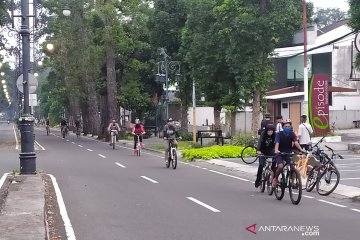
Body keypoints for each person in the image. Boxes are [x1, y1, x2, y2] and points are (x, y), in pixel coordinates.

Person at [272, 119, 306, 187]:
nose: (287, 128)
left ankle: (292, 182)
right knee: (281, 166)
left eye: (289, 126)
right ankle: (275, 179)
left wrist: (301, 150)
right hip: (279, 153)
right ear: (283, 127)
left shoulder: (292, 134)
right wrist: (276, 150)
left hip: (288, 153)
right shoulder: (279, 134)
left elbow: (296, 142)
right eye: (286, 126)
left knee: (293, 167)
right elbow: (277, 143)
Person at [255, 123, 276, 188]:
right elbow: (260, 142)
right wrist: (258, 150)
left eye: (271, 131)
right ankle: (258, 180)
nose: (270, 132)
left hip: (270, 151)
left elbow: (277, 143)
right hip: (262, 151)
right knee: (261, 165)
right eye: (268, 131)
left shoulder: (275, 135)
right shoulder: (263, 134)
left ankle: (273, 177)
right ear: (266, 130)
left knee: (274, 163)